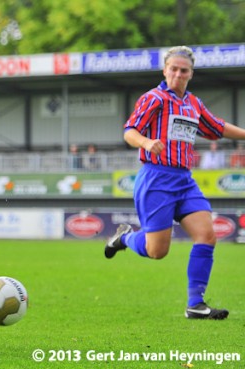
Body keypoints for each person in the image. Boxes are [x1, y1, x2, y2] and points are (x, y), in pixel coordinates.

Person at [104, 46, 245, 320]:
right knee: (158, 252)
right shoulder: (154, 98)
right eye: (174, 69)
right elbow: (129, 130)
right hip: (156, 178)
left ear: (191, 73)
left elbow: (216, 128)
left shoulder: (193, 103)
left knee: (207, 235)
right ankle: (124, 238)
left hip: (184, 180)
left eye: (184, 70)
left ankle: (195, 304)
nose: (179, 74)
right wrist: (145, 141)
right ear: (165, 70)